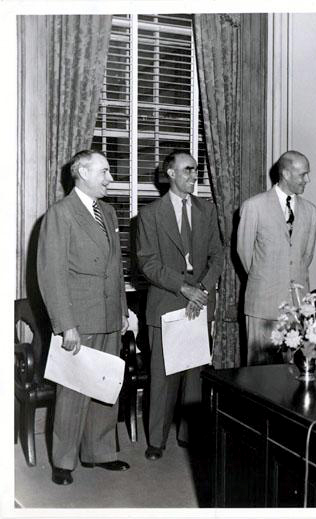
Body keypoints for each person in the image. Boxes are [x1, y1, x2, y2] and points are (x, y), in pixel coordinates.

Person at [37, 150, 129, 485]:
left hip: (107, 313)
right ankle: (63, 461)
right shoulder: (60, 215)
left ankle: (100, 452)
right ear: (82, 173)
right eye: (104, 172)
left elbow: (115, 268)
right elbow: (52, 274)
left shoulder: (107, 212)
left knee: (106, 383)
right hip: (78, 318)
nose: (110, 179)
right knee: (73, 390)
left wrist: (121, 310)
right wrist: (66, 325)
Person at [136, 150, 223, 460]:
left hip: (198, 302)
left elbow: (218, 255)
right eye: (186, 170)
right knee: (162, 377)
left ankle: (189, 434)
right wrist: (183, 287)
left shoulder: (206, 210)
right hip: (166, 303)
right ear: (170, 173)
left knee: (194, 376)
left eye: (195, 170)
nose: (193, 175)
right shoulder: (150, 215)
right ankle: (156, 441)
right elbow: (148, 263)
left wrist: (201, 289)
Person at [237, 150, 316, 365]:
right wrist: (267, 280)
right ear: (286, 173)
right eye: (303, 174)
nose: (307, 180)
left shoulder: (311, 211)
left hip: (297, 308)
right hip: (263, 306)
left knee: (293, 376)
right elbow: (244, 254)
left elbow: (306, 256)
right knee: (260, 378)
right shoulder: (253, 206)